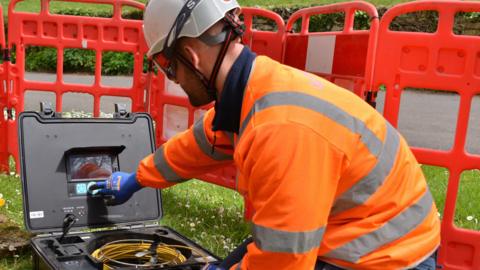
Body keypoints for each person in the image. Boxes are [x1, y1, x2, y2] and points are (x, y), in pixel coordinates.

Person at [89, 0, 441, 269]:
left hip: (389, 256)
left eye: (169, 67)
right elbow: (201, 144)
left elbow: (283, 259)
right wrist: (138, 178)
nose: (175, 80)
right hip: (349, 229)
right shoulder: (254, 90)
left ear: (191, 56)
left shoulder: (281, 129)